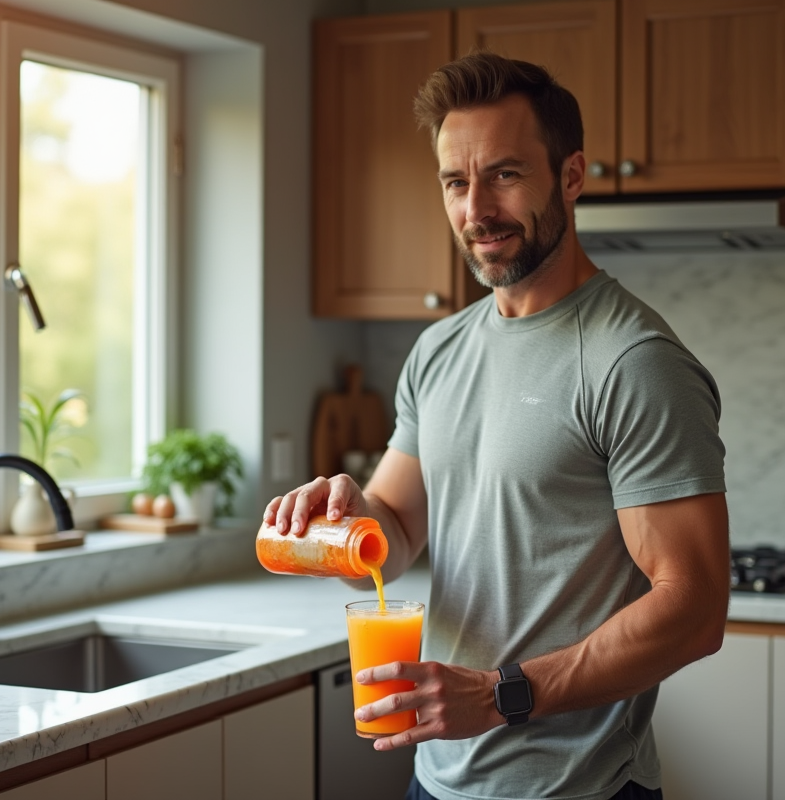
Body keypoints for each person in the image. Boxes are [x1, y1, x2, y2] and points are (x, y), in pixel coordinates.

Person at [265, 51, 730, 800]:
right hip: (437, 775)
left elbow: (695, 608)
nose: (476, 210)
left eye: (505, 175)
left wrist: (497, 695)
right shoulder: (439, 350)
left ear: (571, 177)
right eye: (456, 182)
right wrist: (347, 521)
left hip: (578, 788)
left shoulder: (632, 362)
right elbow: (398, 528)